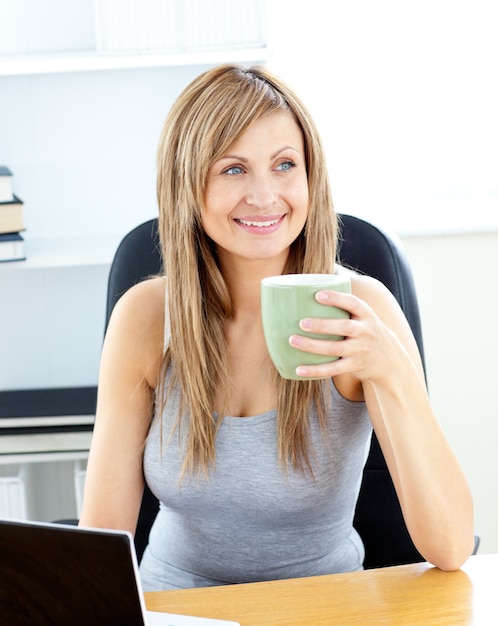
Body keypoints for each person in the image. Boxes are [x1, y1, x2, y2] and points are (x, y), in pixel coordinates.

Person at [79, 64, 474, 590]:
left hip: (321, 607)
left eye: (285, 165)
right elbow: (104, 537)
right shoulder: (147, 317)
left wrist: (392, 372)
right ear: (188, 186)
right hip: (175, 606)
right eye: (233, 169)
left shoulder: (362, 309)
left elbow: (449, 546)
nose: (265, 196)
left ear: (312, 176)